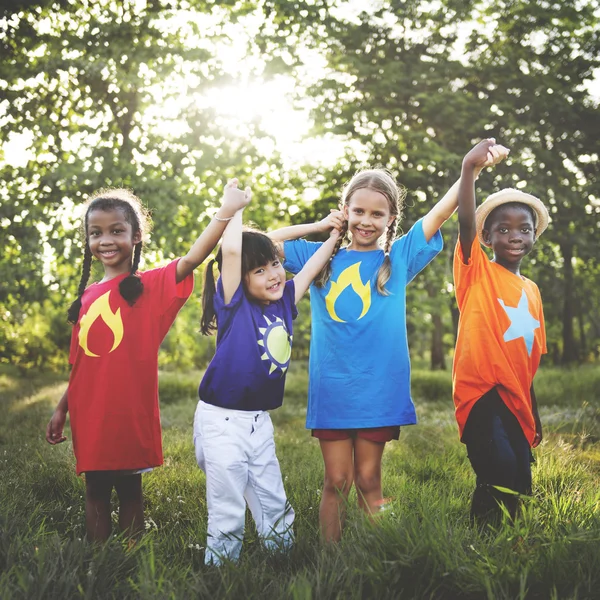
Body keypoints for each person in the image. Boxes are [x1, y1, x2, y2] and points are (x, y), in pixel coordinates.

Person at [268, 140, 508, 542]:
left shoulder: (397, 259)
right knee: (336, 481)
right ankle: (332, 560)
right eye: (358, 211)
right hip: (333, 388)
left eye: (377, 213)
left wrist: (473, 170)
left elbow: (440, 212)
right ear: (345, 211)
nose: (366, 220)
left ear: (390, 217)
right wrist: (319, 228)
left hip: (378, 388)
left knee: (367, 479)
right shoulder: (319, 256)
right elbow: (255, 243)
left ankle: (381, 551)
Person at [46, 183, 248, 542]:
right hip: (90, 411)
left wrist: (226, 210)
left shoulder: (148, 287)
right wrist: (62, 408)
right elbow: (80, 364)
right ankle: (98, 562)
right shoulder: (87, 297)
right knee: (94, 489)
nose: (105, 240)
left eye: (116, 230)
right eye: (96, 233)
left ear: (136, 236)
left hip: (127, 410)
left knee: (129, 490)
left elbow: (192, 258)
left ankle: (131, 559)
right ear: (88, 240)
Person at [194, 181, 340, 565]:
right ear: (239, 281)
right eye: (259, 270)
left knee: (270, 494)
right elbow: (233, 248)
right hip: (222, 421)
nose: (273, 274)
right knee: (227, 504)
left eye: (275, 264)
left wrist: (330, 233)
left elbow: (310, 266)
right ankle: (221, 570)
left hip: (259, 420)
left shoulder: (286, 302)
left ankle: (282, 558)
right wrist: (235, 208)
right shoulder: (234, 304)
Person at [454, 143, 548, 523]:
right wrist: (468, 168)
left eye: (524, 229)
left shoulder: (532, 291)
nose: (515, 235)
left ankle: (501, 545)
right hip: (481, 392)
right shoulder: (476, 270)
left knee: (520, 481)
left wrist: (535, 416)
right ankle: (479, 545)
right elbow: (463, 223)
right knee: (498, 468)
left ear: (533, 238)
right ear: (487, 238)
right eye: (503, 229)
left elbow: (530, 363)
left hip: (517, 398)